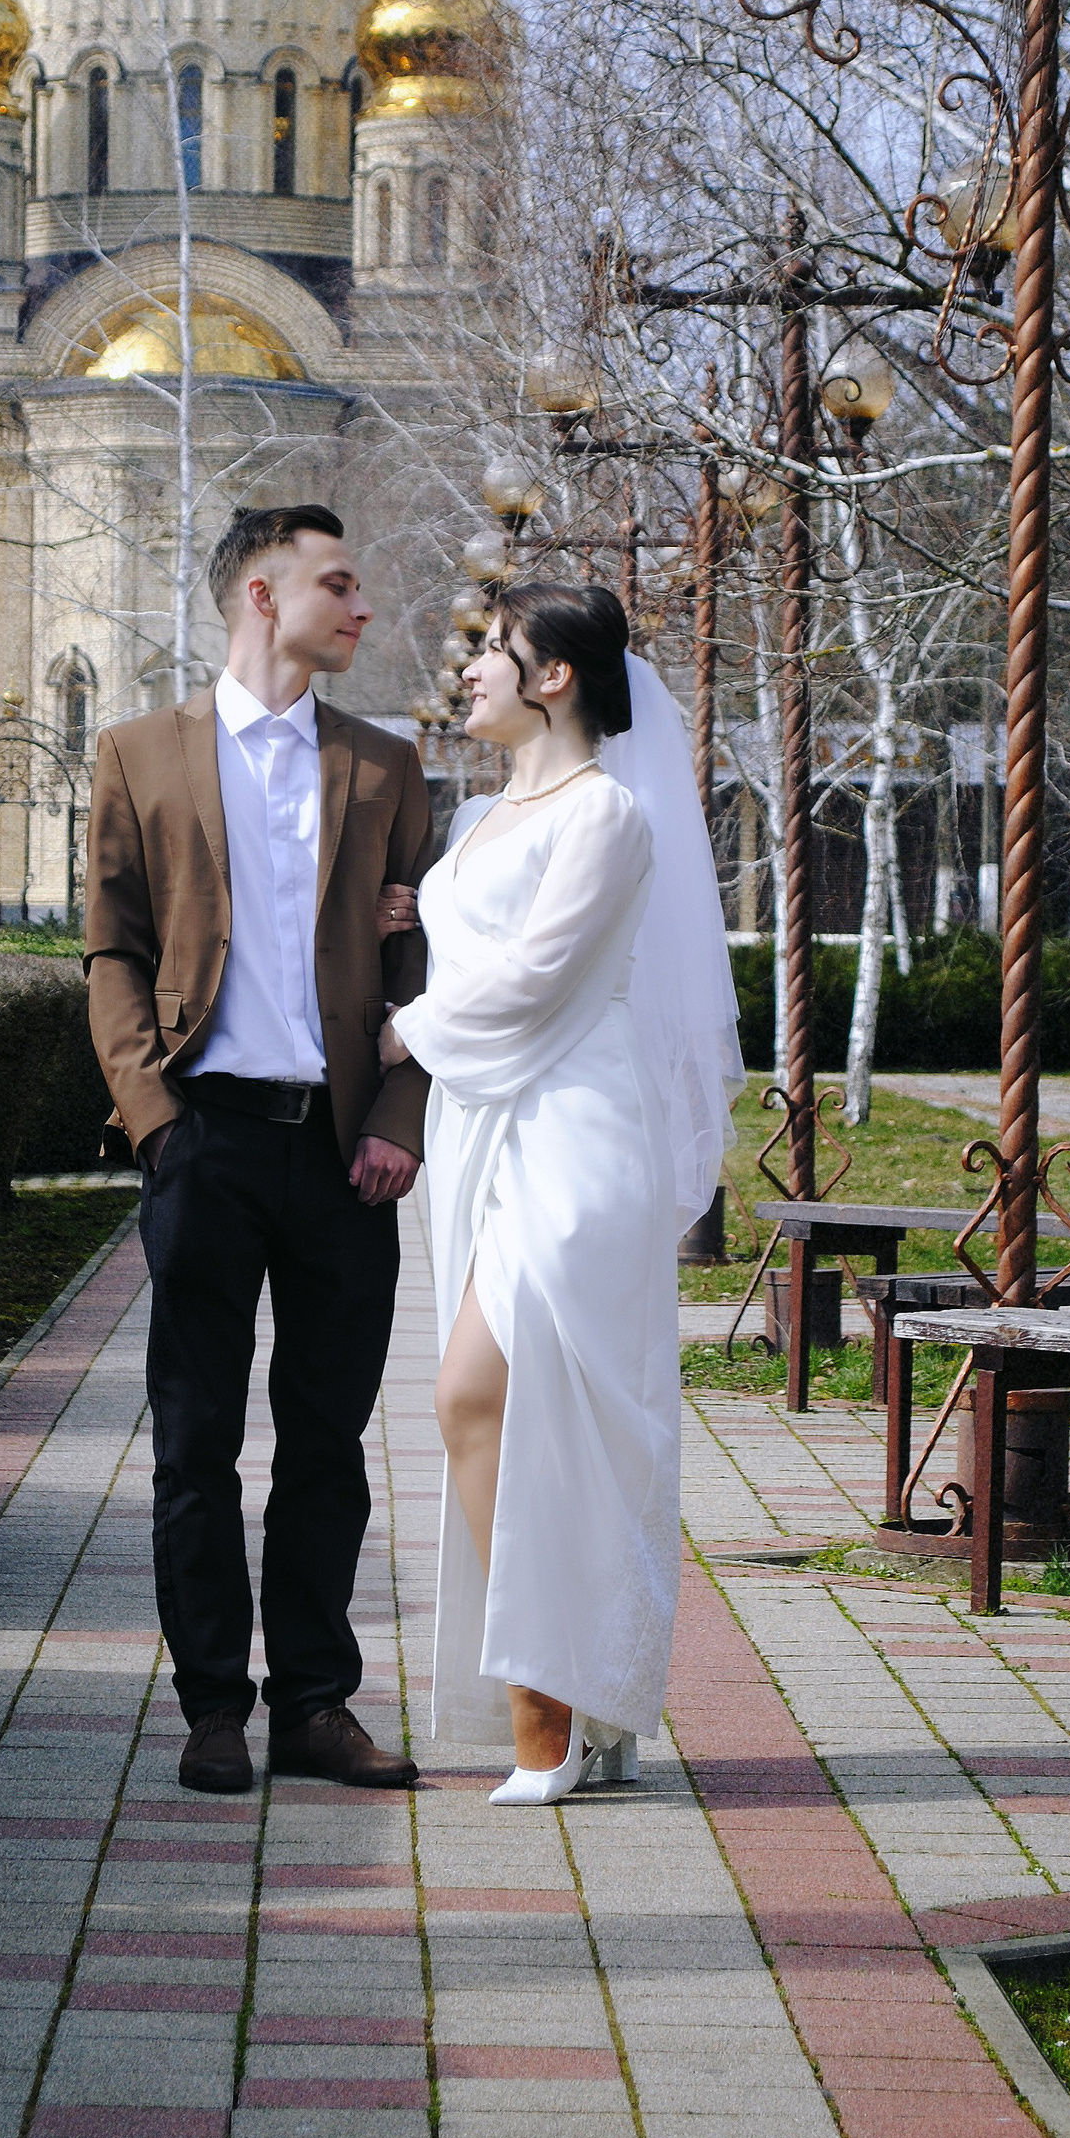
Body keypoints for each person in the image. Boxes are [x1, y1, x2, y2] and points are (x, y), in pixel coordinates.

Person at [84, 504, 433, 1796]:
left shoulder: (385, 767)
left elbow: (422, 965)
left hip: (344, 1154)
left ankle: (316, 1706)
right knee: (194, 1443)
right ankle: (213, 1709)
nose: (361, 607)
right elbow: (111, 949)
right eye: (337, 583)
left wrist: (397, 1121)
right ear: (261, 595)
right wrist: (156, 1123)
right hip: (207, 1142)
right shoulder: (140, 754)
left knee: (328, 1444)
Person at [381, 584, 742, 1802]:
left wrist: (404, 1030)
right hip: (484, 1122)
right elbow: (473, 929)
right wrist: (406, 911)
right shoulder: (479, 816)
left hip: (578, 1127)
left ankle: (553, 1711)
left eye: (494, 649)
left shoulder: (608, 815)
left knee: (499, 1393)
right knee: (497, 1407)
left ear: (554, 679)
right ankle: (583, 1702)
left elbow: (538, 975)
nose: (471, 668)